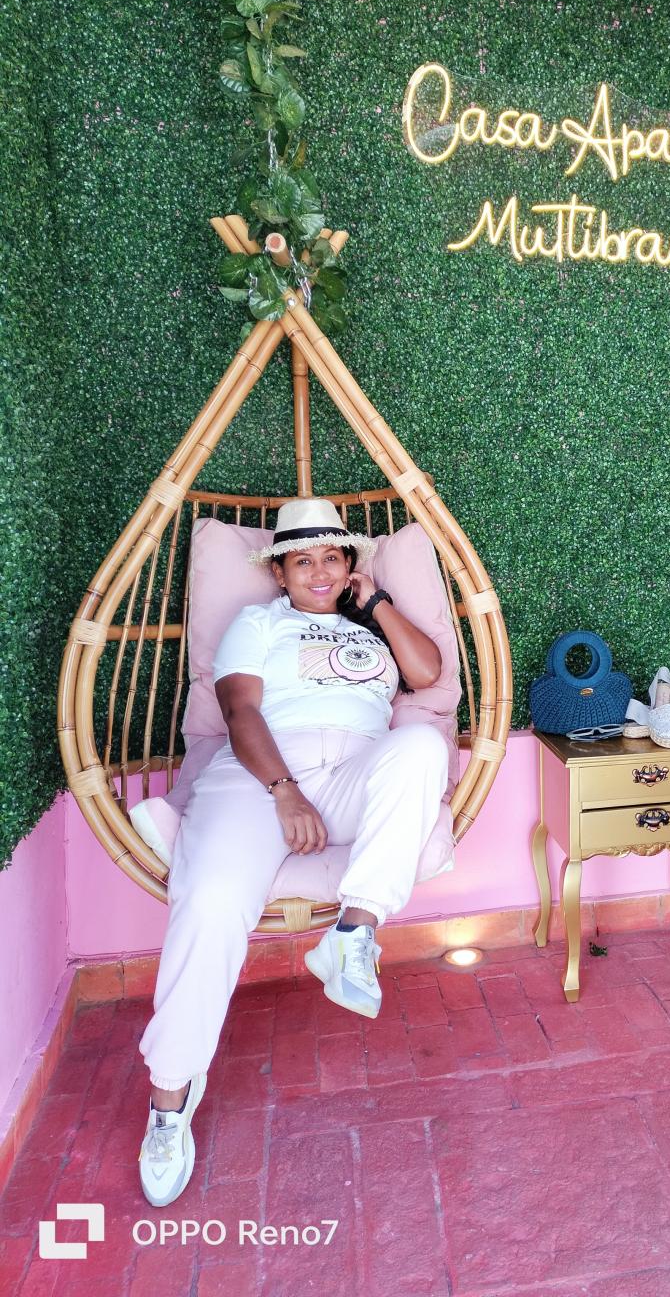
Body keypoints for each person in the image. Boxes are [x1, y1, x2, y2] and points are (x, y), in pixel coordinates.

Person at [137, 498, 449, 1206]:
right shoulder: (258, 623)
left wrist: (378, 603)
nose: (319, 571)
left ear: (349, 566)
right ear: (278, 572)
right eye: (302, 560)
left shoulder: (371, 625)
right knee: (211, 902)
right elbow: (240, 710)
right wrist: (284, 791)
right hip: (262, 777)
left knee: (422, 747)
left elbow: (429, 675)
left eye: (332, 557)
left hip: (354, 775)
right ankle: (170, 1097)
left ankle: (353, 935)